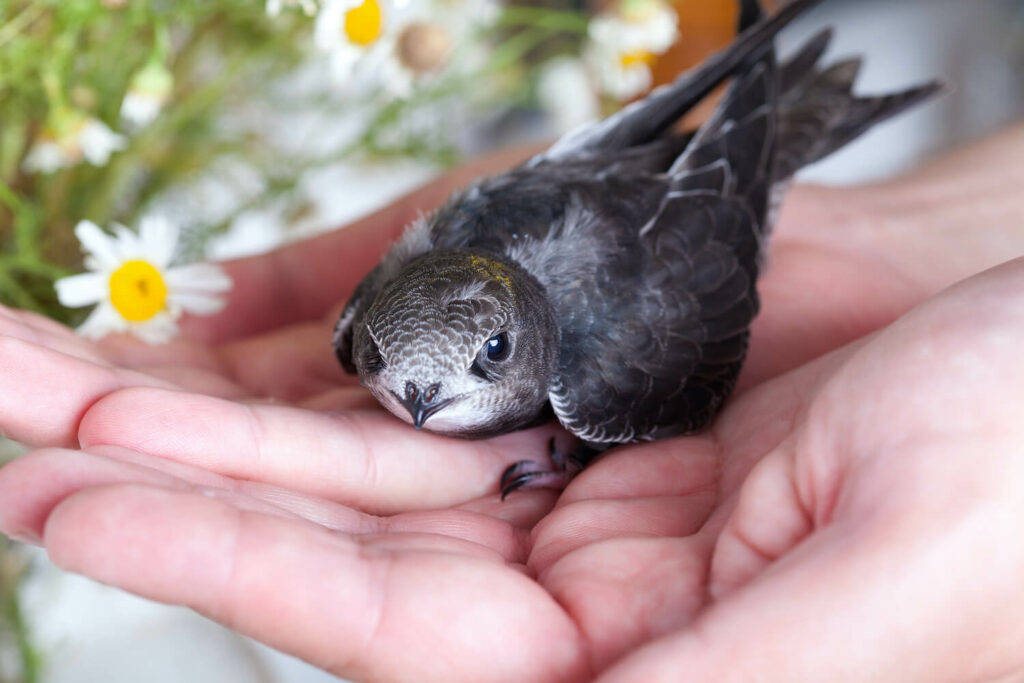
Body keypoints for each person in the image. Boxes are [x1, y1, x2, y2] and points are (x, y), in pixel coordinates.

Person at [0, 123, 1023, 682]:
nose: (416, 402)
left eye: (483, 358)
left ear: (521, 344)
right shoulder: (364, 329)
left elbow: (678, 231)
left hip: (689, 207)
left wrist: (587, 439)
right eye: (386, 364)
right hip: (623, 178)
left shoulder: (603, 365)